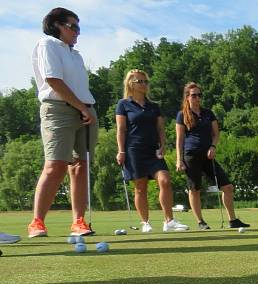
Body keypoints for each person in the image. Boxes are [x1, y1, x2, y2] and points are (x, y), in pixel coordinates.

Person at [28, 7, 98, 238]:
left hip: (85, 110)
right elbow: (53, 79)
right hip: (59, 109)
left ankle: (78, 221)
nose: (78, 32)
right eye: (74, 26)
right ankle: (37, 222)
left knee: (80, 166)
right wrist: (80, 106)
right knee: (55, 165)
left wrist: (85, 108)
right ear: (57, 25)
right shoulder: (47, 44)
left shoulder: (74, 54)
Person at [115, 69, 188, 233]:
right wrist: (121, 151)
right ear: (130, 84)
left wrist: (162, 145)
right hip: (133, 150)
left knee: (165, 181)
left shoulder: (154, 106)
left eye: (146, 82)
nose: (144, 85)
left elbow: (160, 129)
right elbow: (121, 129)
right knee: (140, 187)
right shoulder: (123, 104)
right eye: (140, 82)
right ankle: (145, 222)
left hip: (153, 150)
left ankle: (169, 221)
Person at [175, 83, 249, 230]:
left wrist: (213, 146)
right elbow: (180, 139)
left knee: (227, 186)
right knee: (195, 189)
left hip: (208, 155)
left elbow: (216, 134)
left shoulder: (208, 113)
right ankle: (200, 222)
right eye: (194, 95)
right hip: (191, 155)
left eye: (199, 95)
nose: (197, 98)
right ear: (187, 97)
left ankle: (232, 220)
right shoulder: (182, 115)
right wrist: (179, 159)